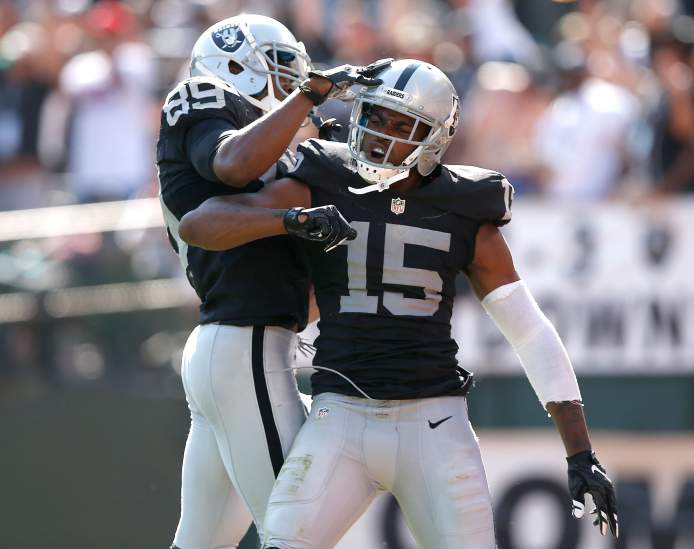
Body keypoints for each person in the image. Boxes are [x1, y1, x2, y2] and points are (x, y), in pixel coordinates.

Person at [178, 59, 619, 548]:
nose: (379, 135)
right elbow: (199, 225)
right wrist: (289, 220)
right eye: (374, 116)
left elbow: (529, 331)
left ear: (434, 138)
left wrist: (580, 452)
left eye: (400, 124)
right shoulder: (322, 176)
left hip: (433, 424)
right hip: (339, 418)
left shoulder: (467, 207)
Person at [156, 14, 375, 549]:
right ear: (235, 65)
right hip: (244, 342)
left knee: (202, 541)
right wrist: (306, 98)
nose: (292, 88)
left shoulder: (272, 148)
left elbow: (304, 298)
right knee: (297, 533)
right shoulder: (203, 95)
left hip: (241, 343)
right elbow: (231, 164)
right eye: (280, 73)